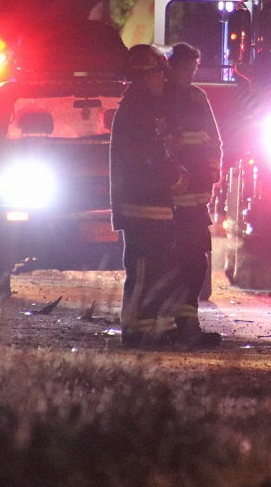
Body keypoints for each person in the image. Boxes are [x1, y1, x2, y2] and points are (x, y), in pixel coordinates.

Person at [109, 44, 187, 349]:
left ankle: (149, 327)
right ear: (144, 76)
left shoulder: (146, 108)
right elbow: (145, 157)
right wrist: (173, 175)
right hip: (141, 203)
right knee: (143, 268)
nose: (163, 80)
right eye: (158, 74)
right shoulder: (136, 111)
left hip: (152, 203)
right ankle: (135, 330)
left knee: (156, 267)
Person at [165, 42, 222, 347]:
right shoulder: (160, 97)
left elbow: (213, 141)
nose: (189, 74)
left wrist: (213, 169)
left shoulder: (197, 97)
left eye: (193, 69)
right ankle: (169, 323)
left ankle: (188, 321)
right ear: (171, 67)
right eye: (185, 68)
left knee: (196, 260)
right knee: (169, 259)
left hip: (197, 196)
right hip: (169, 200)